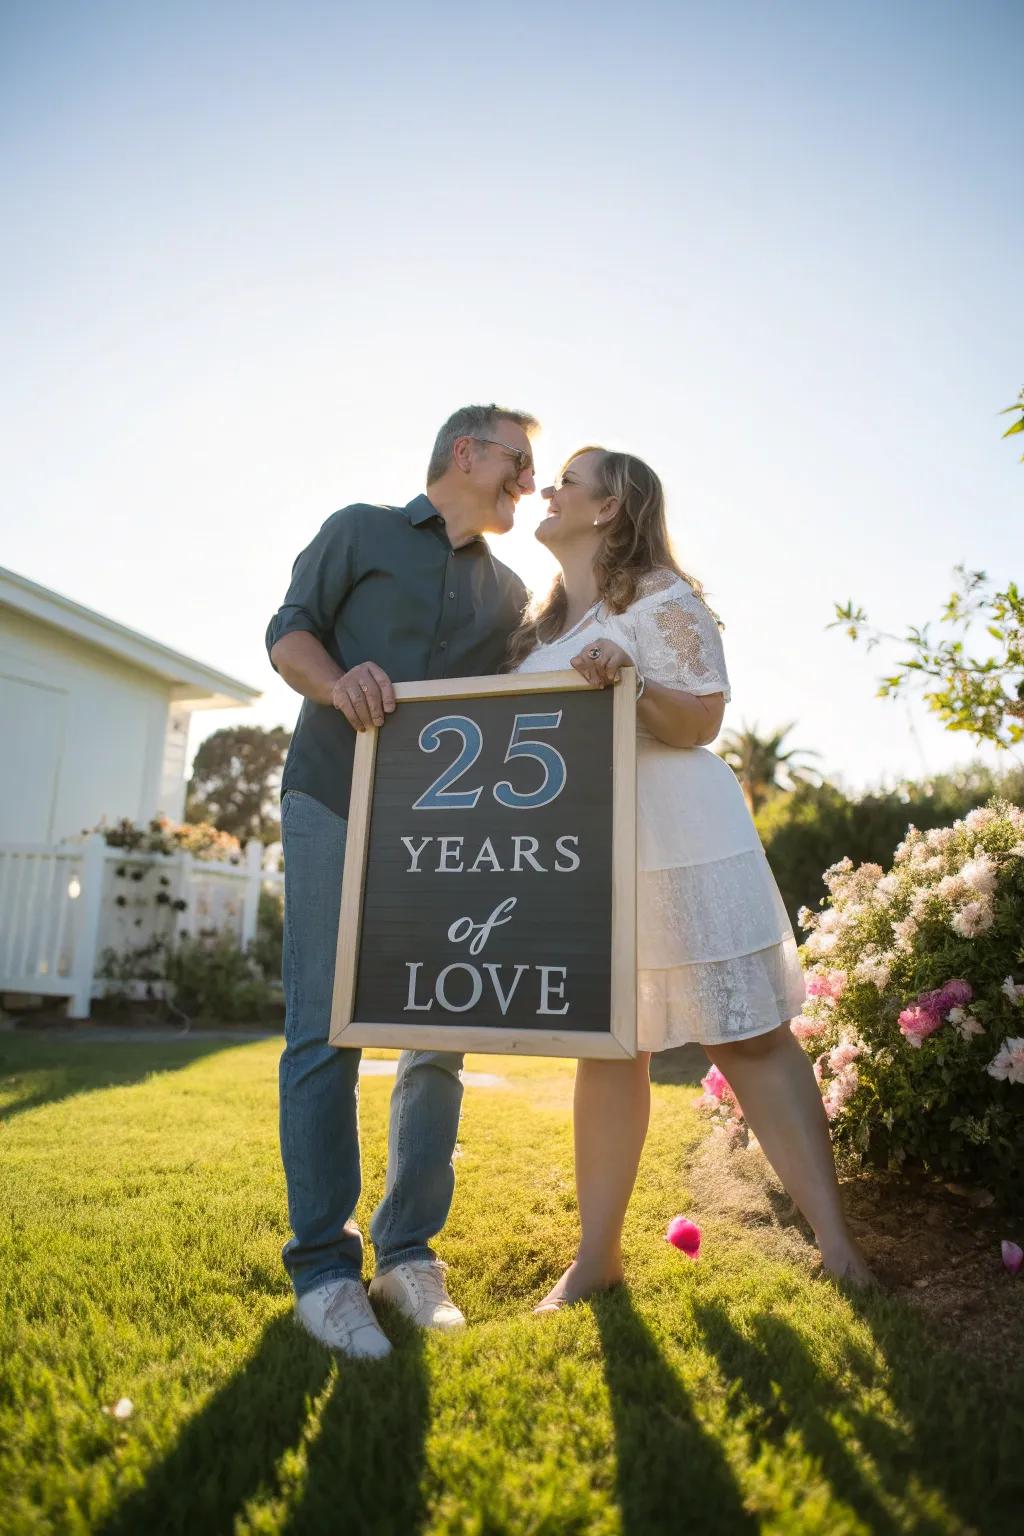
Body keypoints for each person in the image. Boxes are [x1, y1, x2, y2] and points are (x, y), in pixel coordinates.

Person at [509, 446, 873, 1308]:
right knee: (607, 1043)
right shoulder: (542, 629)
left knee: (745, 1035)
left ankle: (838, 1247)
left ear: (609, 508)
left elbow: (701, 719)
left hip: (680, 836)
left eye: (567, 480)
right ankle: (596, 1259)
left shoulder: (665, 602)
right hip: (588, 851)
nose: (548, 492)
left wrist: (629, 684)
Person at [266, 404, 538, 1357]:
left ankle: (408, 1256)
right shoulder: (360, 531)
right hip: (332, 797)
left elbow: (528, 697)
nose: (529, 481)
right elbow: (287, 633)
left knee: (439, 1035)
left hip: (444, 833)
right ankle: (325, 1273)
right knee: (322, 1025)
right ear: (466, 452)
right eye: (518, 461)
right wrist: (337, 681)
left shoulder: (509, 592)